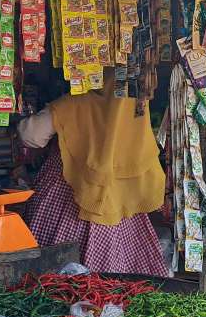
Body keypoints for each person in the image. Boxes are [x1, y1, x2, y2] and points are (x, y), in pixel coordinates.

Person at [17, 80, 168, 277]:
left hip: (68, 197)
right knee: (115, 280)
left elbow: (30, 134)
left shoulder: (75, 104)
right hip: (121, 205)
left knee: (53, 278)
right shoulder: (136, 107)